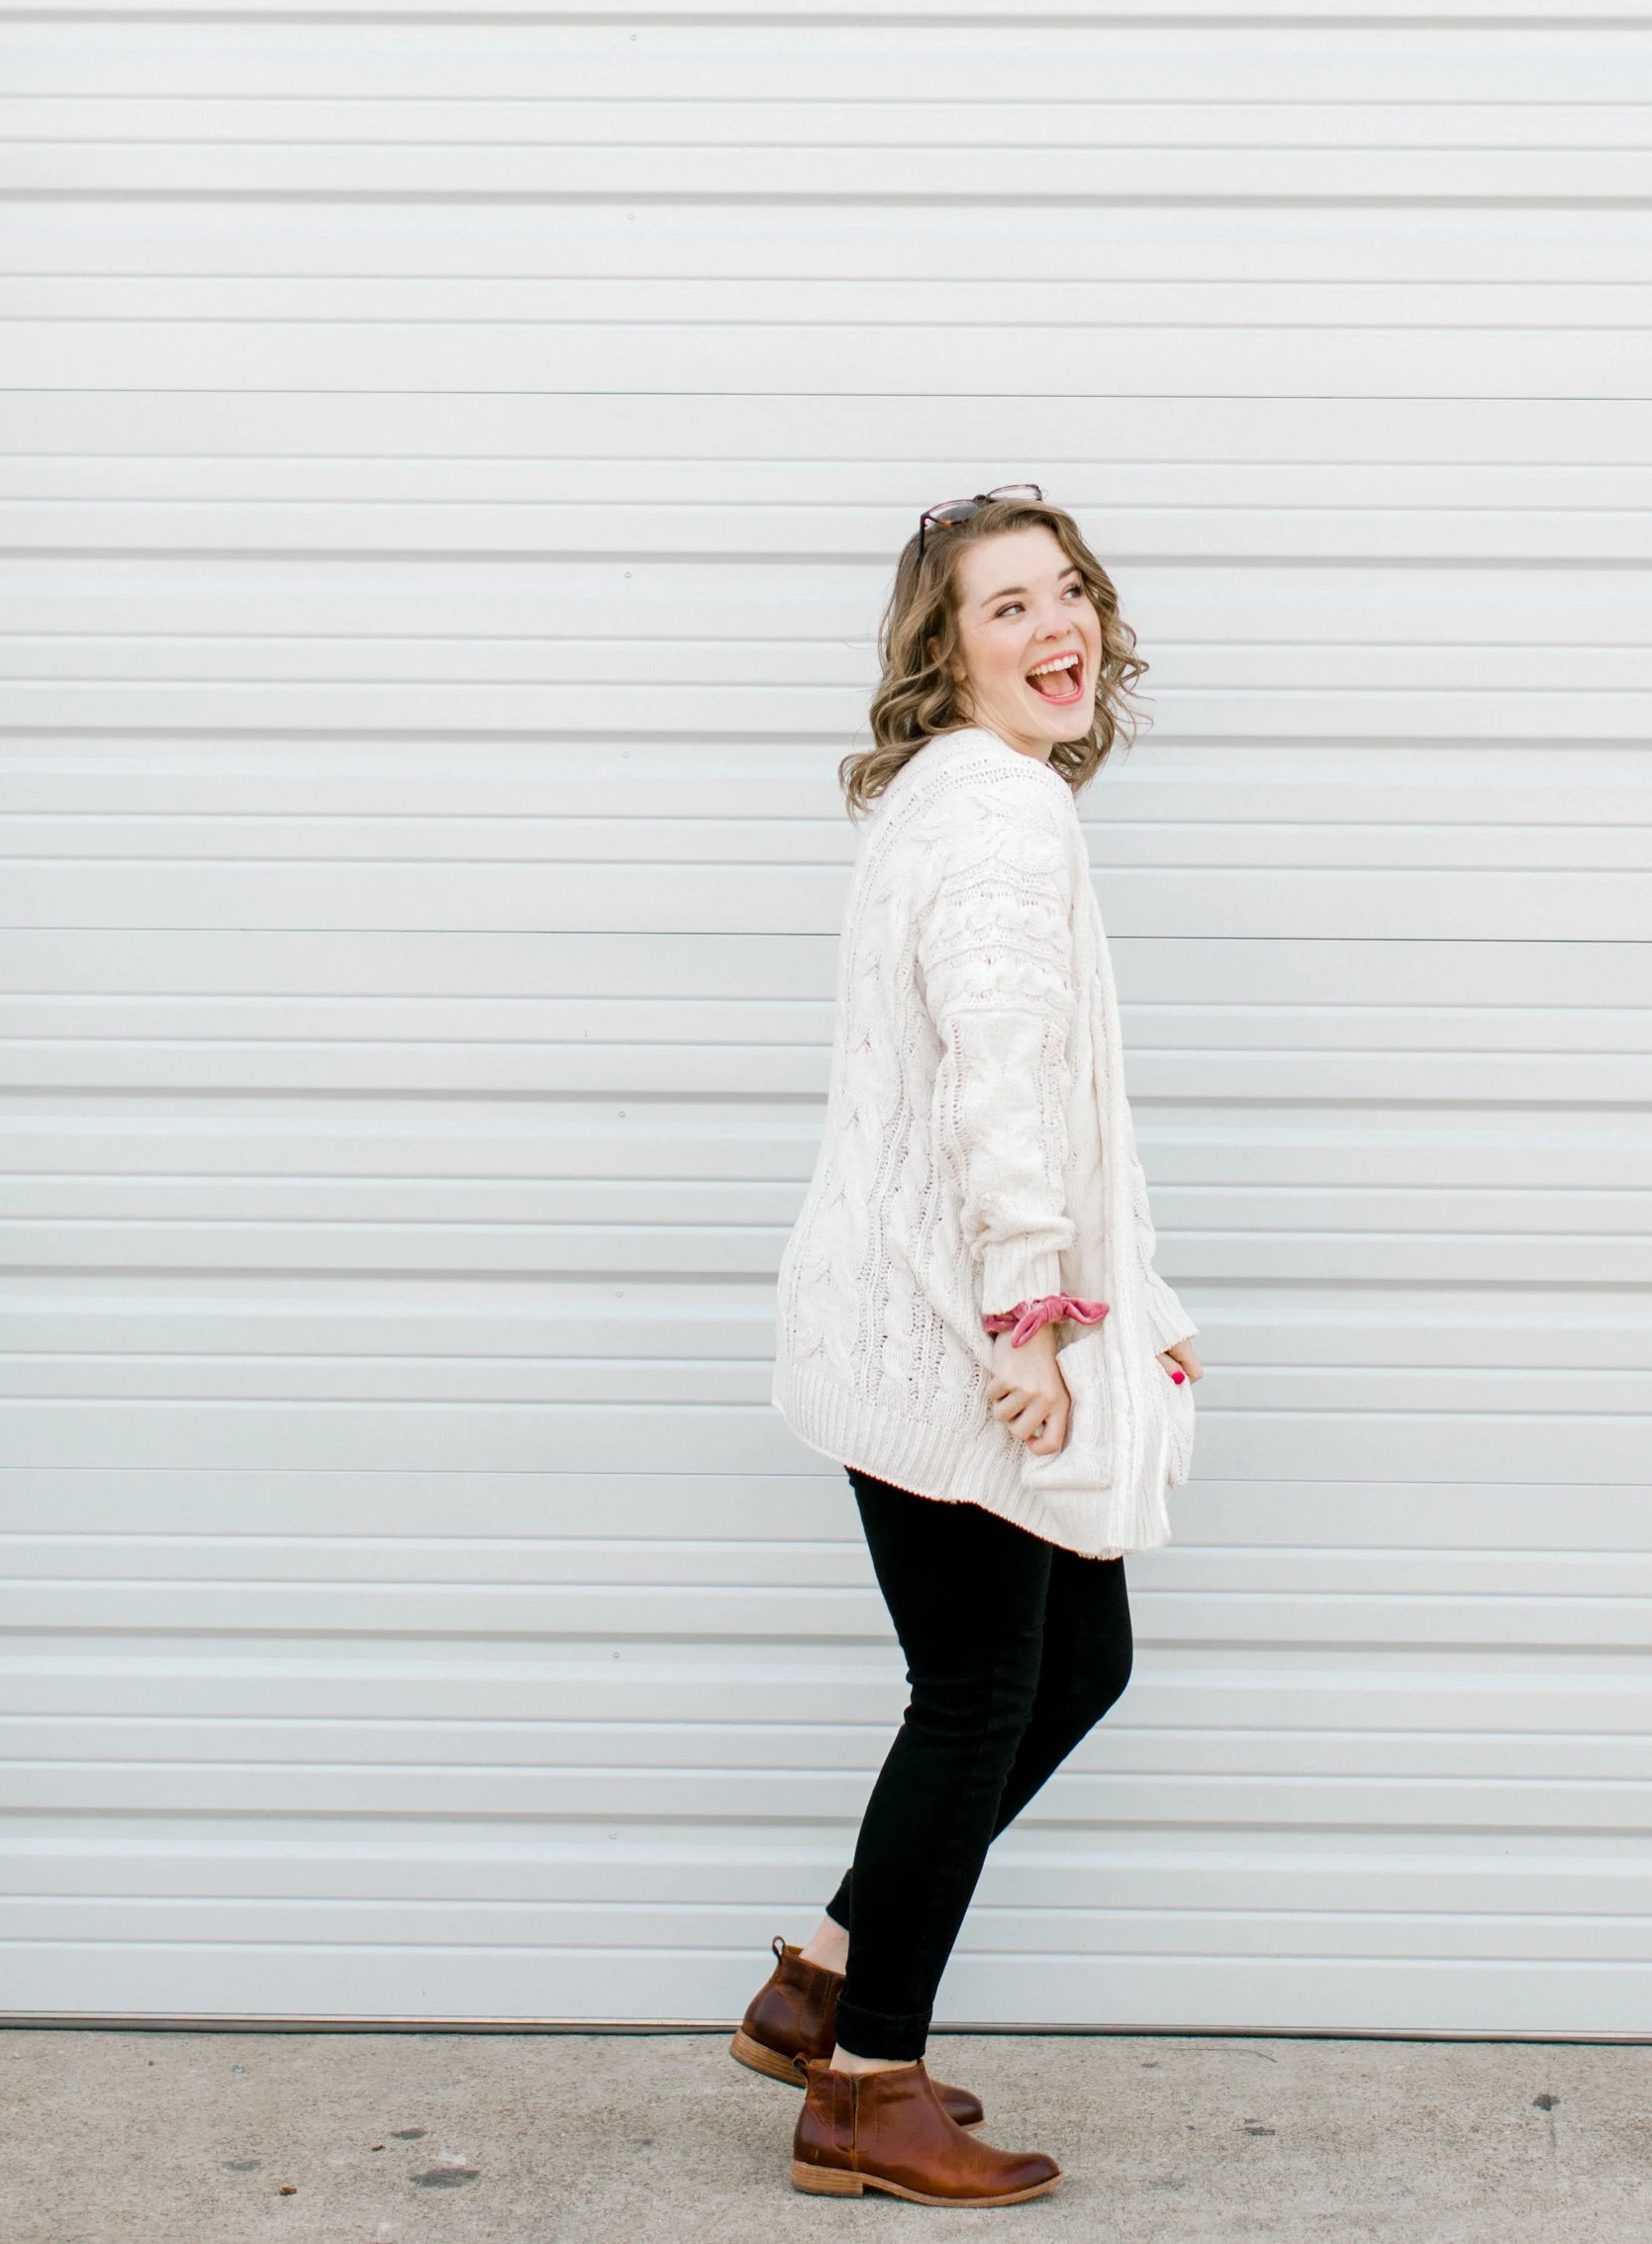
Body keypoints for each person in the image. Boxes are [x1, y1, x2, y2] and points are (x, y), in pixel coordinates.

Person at [729, 488, 1203, 2206]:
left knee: (1073, 1661)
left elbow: (1023, 1092)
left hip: (925, 1311)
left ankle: (824, 1982)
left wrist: (1123, 1307)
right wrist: (1032, 1319)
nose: (1056, 626)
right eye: (1007, 606)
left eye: (1066, 590)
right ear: (946, 651)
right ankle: (868, 2086)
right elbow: (998, 1086)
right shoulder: (1000, 812)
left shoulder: (958, 795)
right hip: (953, 1332)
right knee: (987, 1687)